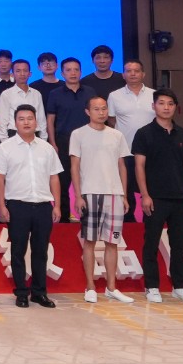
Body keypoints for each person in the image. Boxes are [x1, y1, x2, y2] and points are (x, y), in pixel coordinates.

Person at [132, 89, 183, 304]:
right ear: (153, 106)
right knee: (151, 243)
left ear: (176, 107)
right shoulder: (144, 133)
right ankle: (152, 286)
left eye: (170, 103)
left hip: (180, 198)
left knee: (179, 244)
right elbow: (139, 166)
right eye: (161, 103)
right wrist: (145, 195)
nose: (166, 107)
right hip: (155, 198)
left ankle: (180, 286)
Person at [0, 106, 63, 309]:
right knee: (18, 251)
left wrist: (57, 205)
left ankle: (39, 293)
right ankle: (21, 293)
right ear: (15, 123)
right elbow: (0, 179)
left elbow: (54, 178)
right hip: (17, 206)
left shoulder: (46, 148)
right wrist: (1, 206)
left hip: (43, 206)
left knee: (41, 251)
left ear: (36, 122)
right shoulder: (5, 148)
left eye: (30, 118)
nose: (26, 122)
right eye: (21, 119)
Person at [69, 95, 134, 304]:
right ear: (87, 112)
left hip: (114, 194)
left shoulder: (117, 135)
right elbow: (74, 167)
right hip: (90, 193)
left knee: (112, 242)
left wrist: (124, 194)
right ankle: (90, 287)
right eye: (96, 109)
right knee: (89, 241)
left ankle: (111, 287)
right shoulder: (78, 134)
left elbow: (122, 166)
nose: (101, 112)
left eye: (104, 108)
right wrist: (78, 195)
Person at [45, 57, 99, 223]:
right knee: (63, 180)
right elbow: (50, 120)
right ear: (62, 73)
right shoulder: (55, 94)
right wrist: (53, 143)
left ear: (81, 72)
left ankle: (88, 216)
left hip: (88, 142)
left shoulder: (90, 92)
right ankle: (64, 217)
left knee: (88, 179)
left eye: (76, 69)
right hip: (64, 141)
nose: (73, 73)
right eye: (68, 70)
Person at [106, 59, 156, 220]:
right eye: (128, 71)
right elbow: (111, 120)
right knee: (126, 187)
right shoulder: (114, 96)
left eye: (136, 71)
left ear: (143, 74)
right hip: (125, 149)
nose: (132, 74)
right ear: (123, 75)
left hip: (151, 150)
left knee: (151, 186)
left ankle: (152, 218)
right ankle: (128, 221)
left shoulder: (155, 95)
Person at [0, 60, 47, 142]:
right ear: (12, 74)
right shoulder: (6, 94)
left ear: (30, 74)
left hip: (35, 135)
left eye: (25, 70)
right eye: (18, 71)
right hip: (14, 134)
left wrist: (44, 139)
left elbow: (41, 119)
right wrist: (5, 141)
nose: (22, 74)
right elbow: (3, 121)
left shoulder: (36, 94)